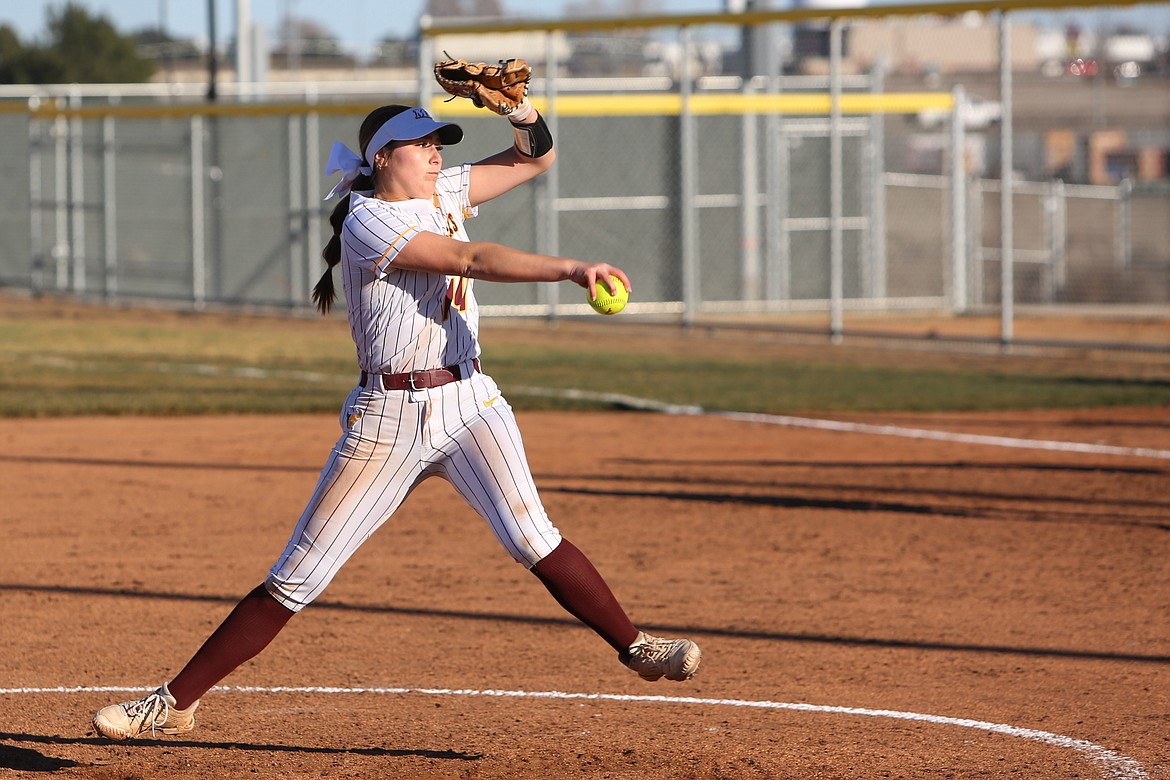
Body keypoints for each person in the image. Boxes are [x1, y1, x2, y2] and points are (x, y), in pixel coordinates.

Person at [92, 86, 701, 741]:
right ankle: (172, 704)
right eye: (422, 146)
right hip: (387, 418)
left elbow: (533, 160)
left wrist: (520, 112)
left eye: (440, 145)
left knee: (532, 537)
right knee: (299, 576)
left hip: (471, 404)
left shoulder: (441, 192)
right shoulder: (368, 220)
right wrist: (573, 268)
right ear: (382, 159)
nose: (436, 157)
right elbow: (471, 259)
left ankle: (636, 647)